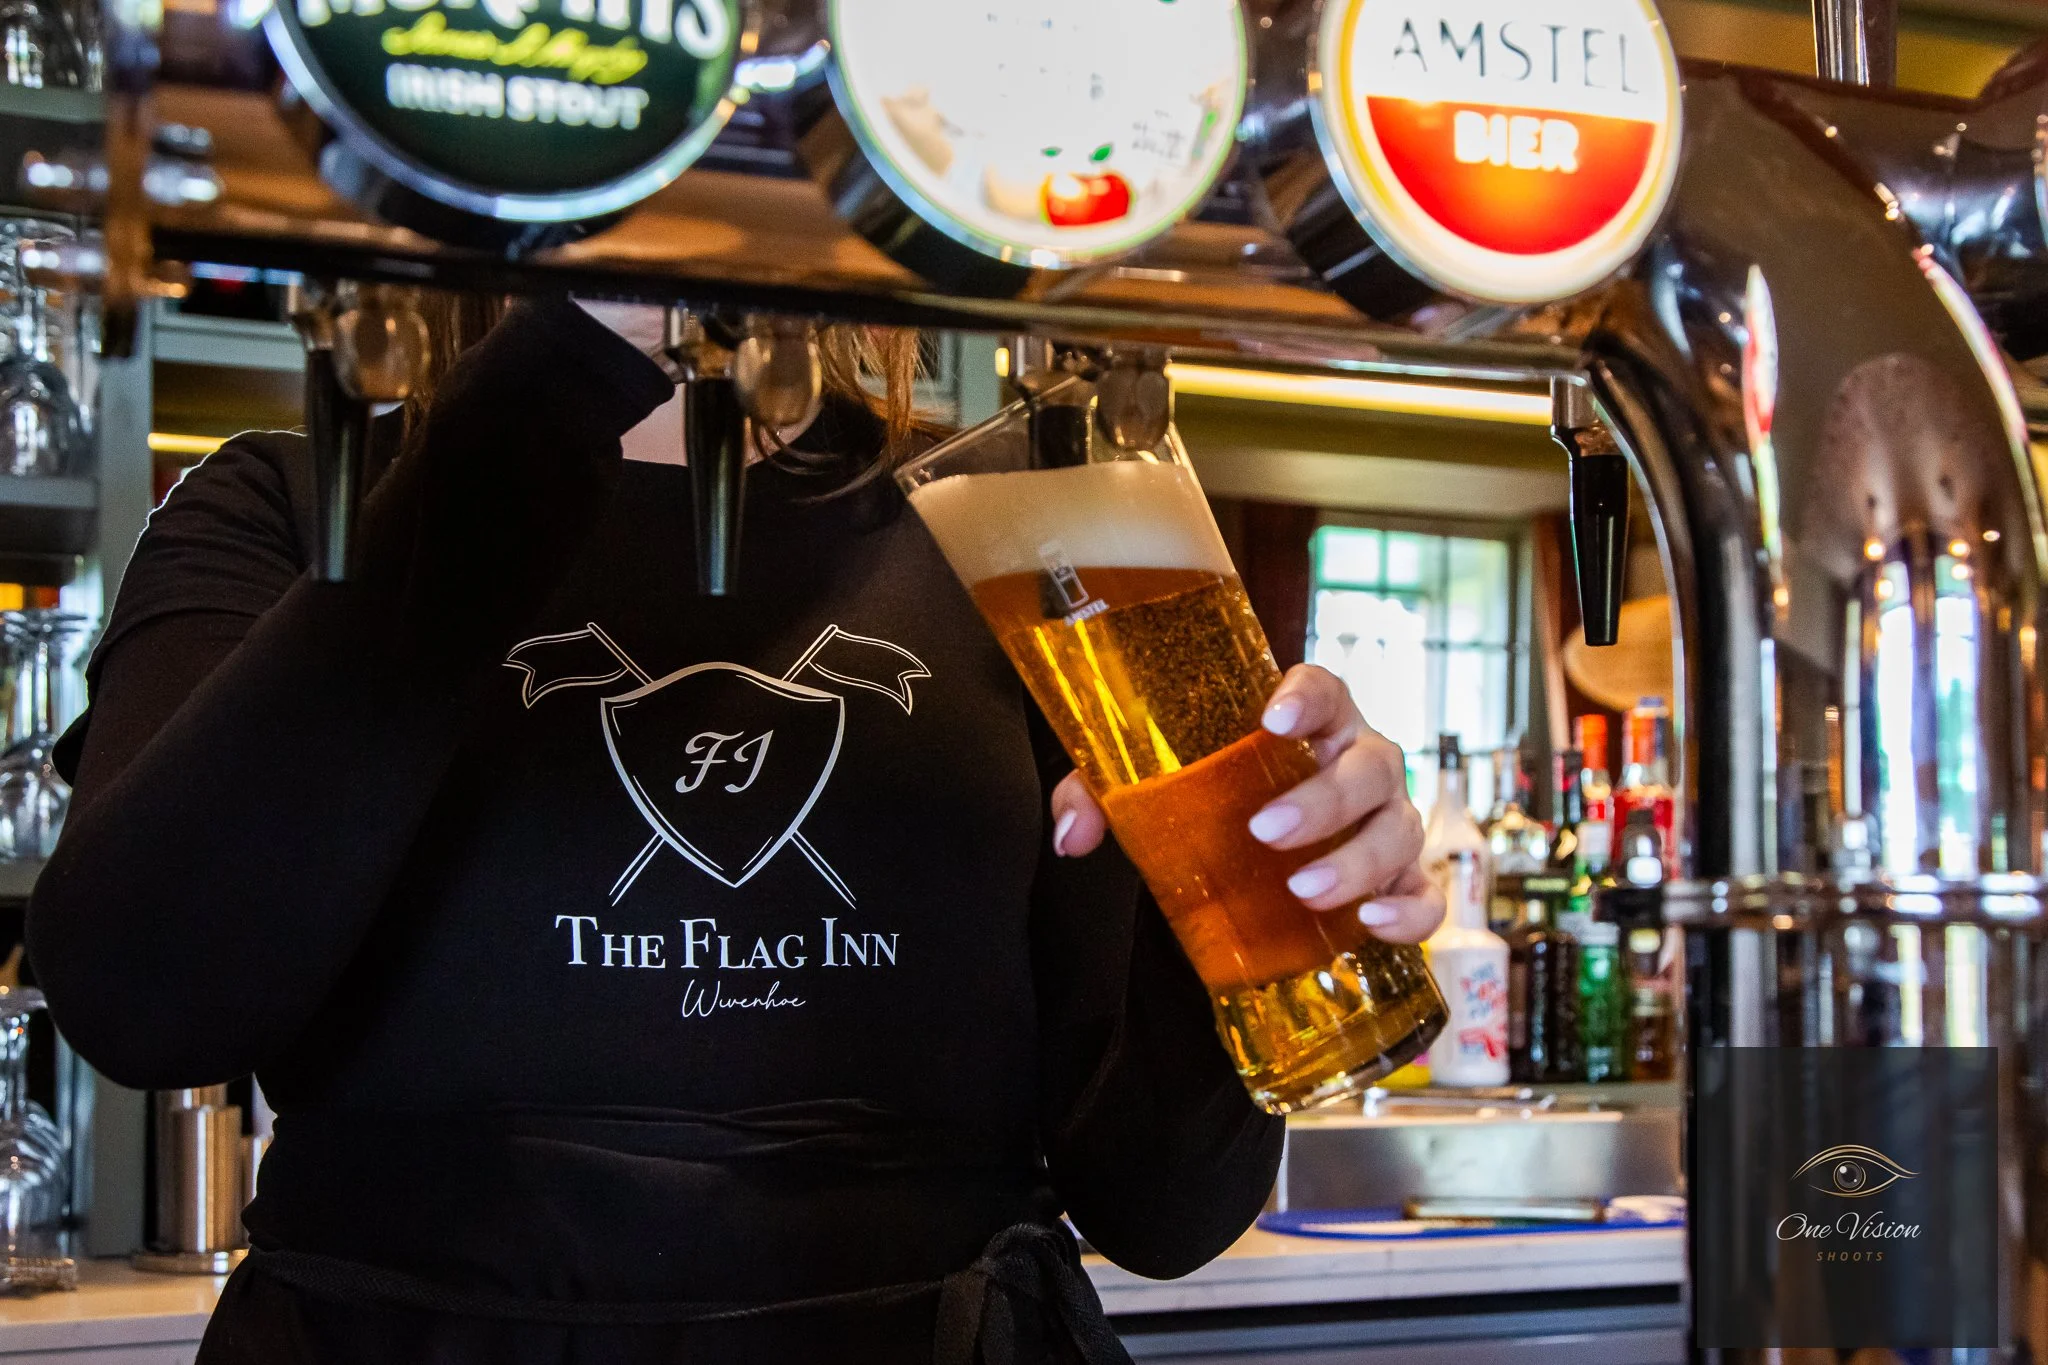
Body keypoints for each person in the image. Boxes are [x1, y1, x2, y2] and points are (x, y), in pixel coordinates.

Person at [26, 296, 1442, 1364]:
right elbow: (145, 997)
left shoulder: (1013, 527)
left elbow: (1170, 1204)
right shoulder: (291, 507)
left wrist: (1274, 885)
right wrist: (569, 358)